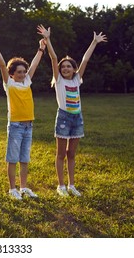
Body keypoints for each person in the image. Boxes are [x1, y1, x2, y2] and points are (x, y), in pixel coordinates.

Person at [37, 24, 107, 197]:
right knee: (61, 153)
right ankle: (61, 186)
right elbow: (53, 58)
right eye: (63, 67)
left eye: (69, 66)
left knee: (72, 154)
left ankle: (71, 185)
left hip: (77, 119)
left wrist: (94, 42)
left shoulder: (77, 80)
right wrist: (48, 39)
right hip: (63, 118)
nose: (65, 68)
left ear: (74, 69)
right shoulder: (59, 80)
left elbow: (85, 60)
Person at [0, 30, 45, 201]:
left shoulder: (27, 81)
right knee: (13, 159)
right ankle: (12, 189)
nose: (22, 74)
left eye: (24, 71)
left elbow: (34, 65)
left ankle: (24, 187)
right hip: (15, 126)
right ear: (12, 73)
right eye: (19, 72)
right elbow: (1, 63)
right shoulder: (10, 84)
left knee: (25, 159)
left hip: (29, 125)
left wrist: (41, 49)